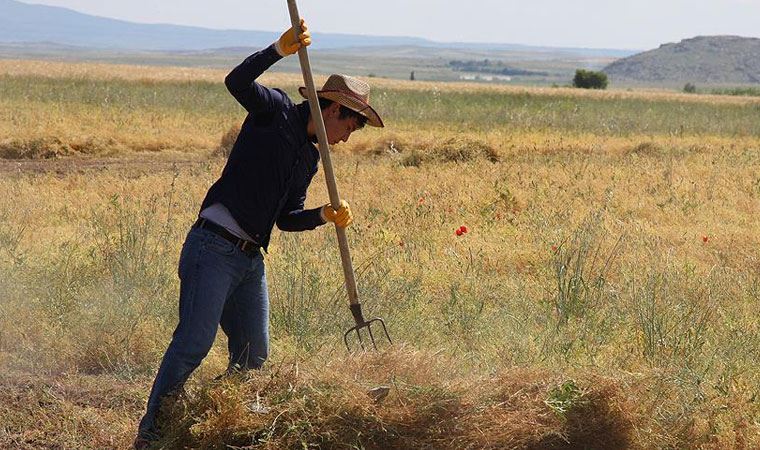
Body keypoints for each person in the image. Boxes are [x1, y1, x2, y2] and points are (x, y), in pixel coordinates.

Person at [134, 19, 384, 448]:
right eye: (350, 126)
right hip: (213, 245)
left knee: (253, 358)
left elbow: (286, 218)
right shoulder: (275, 111)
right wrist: (277, 50)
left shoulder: (309, 159)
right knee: (193, 343)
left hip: (250, 260)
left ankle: (208, 423)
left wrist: (323, 214)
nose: (348, 137)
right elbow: (236, 81)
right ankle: (152, 434)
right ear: (333, 110)